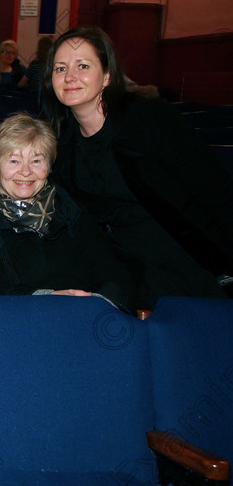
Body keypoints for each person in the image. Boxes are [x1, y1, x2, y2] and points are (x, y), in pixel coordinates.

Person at [40, 25, 233, 304]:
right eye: (60, 68)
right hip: (120, 267)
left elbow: (213, 188)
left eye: (83, 66)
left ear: (106, 76)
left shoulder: (150, 119)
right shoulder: (60, 142)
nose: (70, 77)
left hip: (184, 254)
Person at [0, 113, 136, 312]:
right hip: (18, 328)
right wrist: (47, 299)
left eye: (36, 161)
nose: (26, 171)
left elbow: (115, 276)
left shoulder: (72, 214)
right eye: (14, 161)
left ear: (48, 167)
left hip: (85, 321)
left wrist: (97, 302)